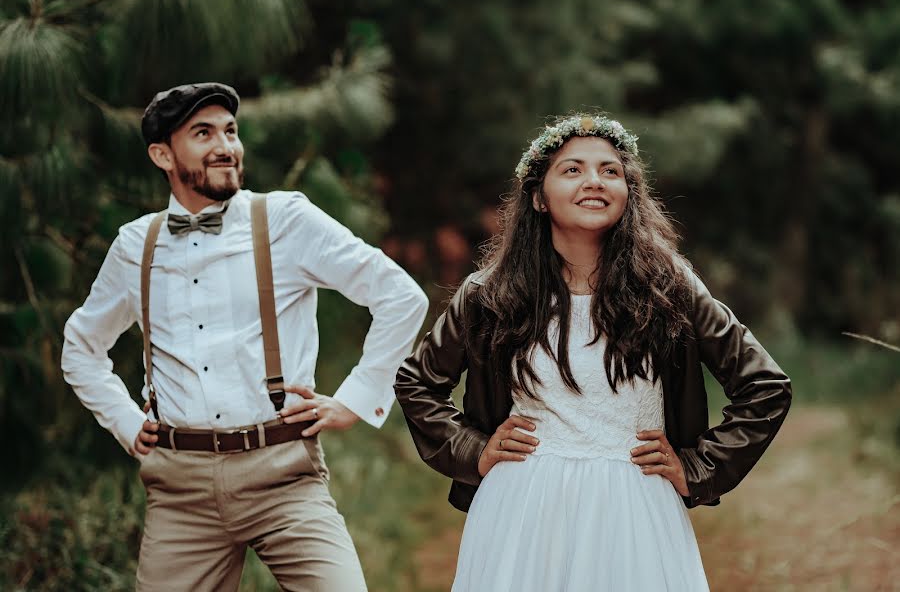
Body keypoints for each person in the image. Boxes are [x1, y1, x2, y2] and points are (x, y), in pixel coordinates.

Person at [394, 114, 792, 590]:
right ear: (539, 197)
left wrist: (700, 467)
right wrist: (472, 450)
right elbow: (417, 382)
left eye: (610, 171)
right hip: (521, 508)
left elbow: (765, 387)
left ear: (629, 193)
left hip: (635, 507)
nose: (594, 182)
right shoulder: (490, 294)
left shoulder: (669, 289)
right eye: (573, 170)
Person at [61, 82, 428, 592]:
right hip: (179, 490)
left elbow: (400, 296)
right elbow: (80, 346)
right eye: (203, 133)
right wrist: (125, 421)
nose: (225, 146)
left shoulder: (284, 220)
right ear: (162, 154)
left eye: (231, 131)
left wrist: (356, 398)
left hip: (284, 477)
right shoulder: (134, 246)